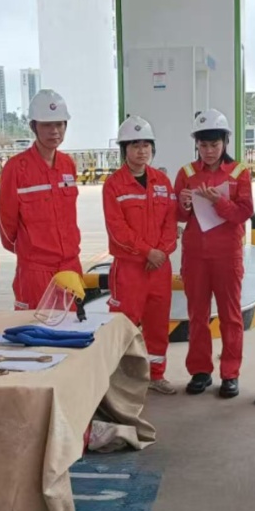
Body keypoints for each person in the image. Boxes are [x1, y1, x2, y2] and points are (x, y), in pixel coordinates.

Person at [174, 109, 254, 399]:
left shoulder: (239, 173)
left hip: (227, 255)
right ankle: (200, 371)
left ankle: (230, 373)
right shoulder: (186, 174)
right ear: (196, 144)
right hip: (195, 255)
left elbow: (244, 213)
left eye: (214, 144)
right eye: (203, 145)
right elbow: (178, 216)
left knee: (230, 315)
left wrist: (220, 202)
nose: (209, 151)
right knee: (197, 315)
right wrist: (183, 204)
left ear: (225, 142)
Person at [103, 116, 178, 395]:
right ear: (125, 149)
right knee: (123, 325)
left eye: (146, 145)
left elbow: (170, 222)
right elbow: (117, 228)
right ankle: (120, 379)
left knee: (158, 324)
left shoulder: (162, 181)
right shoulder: (114, 185)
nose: (141, 151)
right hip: (130, 269)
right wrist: (148, 252)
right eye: (135, 145)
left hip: (159, 267)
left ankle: (156, 375)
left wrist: (162, 252)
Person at [0, 89, 81, 309]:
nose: (54, 131)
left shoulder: (68, 165)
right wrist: (29, 251)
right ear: (34, 126)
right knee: (34, 326)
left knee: (72, 325)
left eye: (59, 124)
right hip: (36, 271)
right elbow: (6, 224)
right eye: (47, 125)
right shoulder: (16, 168)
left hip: (70, 266)